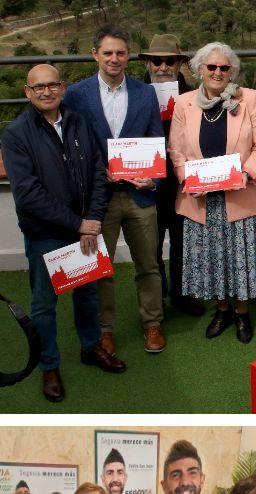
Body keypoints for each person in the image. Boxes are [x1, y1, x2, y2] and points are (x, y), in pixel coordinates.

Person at [1, 62, 126, 403]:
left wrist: (93, 219)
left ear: (63, 87)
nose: (46, 91)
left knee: (87, 294)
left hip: (85, 229)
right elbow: (28, 195)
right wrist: (77, 223)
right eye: (37, 87)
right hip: (46, 234)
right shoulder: (16, 134)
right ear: (28, 93)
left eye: (52, 85)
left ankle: (90, 348)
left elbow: (99, 172)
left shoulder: (78, 121)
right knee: (44, 305)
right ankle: (49, 365)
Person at [63, 23, 168, 355]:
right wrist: (96, 173)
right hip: (99, 198)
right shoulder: (76, 95)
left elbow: (156, 141)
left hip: (140, 194)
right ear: (95, 54)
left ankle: (152, 324)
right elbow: (71, 144)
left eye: (120, 53)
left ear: (128, 56)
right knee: (101, 267)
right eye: (107, 52)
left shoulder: (144, 93)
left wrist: (155, 179)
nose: (114, 59)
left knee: (148, 263)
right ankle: (104, 328)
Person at [168, 41, 256, 344]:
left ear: (232, 71)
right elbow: (176, 150)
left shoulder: (249, 99)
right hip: (201, 198)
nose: (217, 72)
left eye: (224, 67)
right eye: (211, 66)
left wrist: (245, 173)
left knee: (239, 255)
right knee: (211, 256)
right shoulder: (184, 103)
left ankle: (241, 312)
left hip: (240, 194)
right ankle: (222, 308)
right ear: (200, 69)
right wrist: (187, 178)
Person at [140, 33, 203, 317]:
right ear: (148, 64)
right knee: (150, 246)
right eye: (156, 61)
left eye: (169, 61)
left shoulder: (194, 97)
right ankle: (157, 299)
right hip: (146, 184)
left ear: (179, 63)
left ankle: (181, 295)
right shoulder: (135, 94)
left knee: (182, 242)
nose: (162, 67)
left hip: (182, 182)